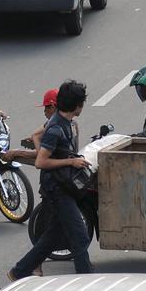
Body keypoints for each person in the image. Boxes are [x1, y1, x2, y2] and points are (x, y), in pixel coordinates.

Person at [8, 80, 93, 280]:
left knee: (53, 236)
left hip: (65, 186)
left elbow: (39, 137)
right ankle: (86, 281)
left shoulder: (68, 123)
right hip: (57, 189)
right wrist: (71, 162)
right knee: (80, 236)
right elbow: (41, 162)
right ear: (77, 105)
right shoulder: (55, 128)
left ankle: (18, 272)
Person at [1, 88, 59, 165]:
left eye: (46, 107)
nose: (44, 111)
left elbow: (41, 157)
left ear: (52, 107)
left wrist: (16, 153)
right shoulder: (69, 122)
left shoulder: (55, 129)